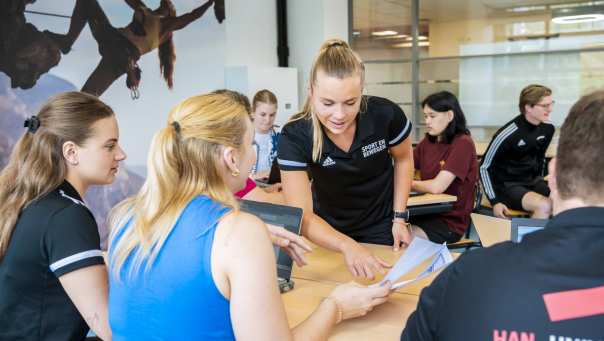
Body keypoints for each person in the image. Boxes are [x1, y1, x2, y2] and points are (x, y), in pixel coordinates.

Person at [107, 92, 392, 340]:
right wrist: (336, 307)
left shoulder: (127, 217)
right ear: (231, 158)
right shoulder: (239, 233)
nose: (253, 156)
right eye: (250, 145)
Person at [401, 90, 604, 340]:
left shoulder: (468, 278)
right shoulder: (432, 143)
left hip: (466, 215)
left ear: (554, 171)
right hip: (509, 188)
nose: (428, 121)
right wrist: (496, 200)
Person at [277, 39, 414, 280]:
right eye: (327, 103)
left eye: (350, 103)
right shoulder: (295, 135)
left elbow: (403, 160)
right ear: (311, 92)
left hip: (382, 226)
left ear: (362, 92)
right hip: (327, 232)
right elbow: (303, 215)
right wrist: (346, 245)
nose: (339, 115)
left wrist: (400, 218)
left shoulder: (385, 115)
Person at [0, 91, 126, 340]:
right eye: (109, 146)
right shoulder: (67, 217)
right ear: (70, 152)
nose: (121, 154)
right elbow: (109, 328)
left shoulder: (31, 203)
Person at [44, 0, 217, 97]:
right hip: (111, 38)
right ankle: (67, 41)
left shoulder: (165, 26)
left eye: (171, 6)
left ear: (170, 14)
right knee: (86, 2)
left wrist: (210, 2)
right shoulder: (144, 9)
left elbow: (192, 16)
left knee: (88, 94)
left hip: (122, 55)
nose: (169, 3)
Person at [411, 91, 478, 243]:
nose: (427, 121)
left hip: (449, 221)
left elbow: (437, 187)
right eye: (425, 116)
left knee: (402, 236)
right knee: (383, 228)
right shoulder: (428, 142)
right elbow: (405, 169)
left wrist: (409, 184)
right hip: (424, 212)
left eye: (432, 116)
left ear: (449, 116)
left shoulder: (463, 143)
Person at [480, 84, 555, 219]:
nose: (550, 109)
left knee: (566, 200)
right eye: (545, 106)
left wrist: (544, 179)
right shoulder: (507, 134)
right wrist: (495, 201)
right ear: (528, 107)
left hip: (532, 182)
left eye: (551, 104)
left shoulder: (548, 129)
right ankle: (534, 241)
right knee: (544, 206)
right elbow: (484, 167)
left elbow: (540, 158)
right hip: (507, 186)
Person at [251, 89, 280, 179]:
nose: (267, 120)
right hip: (249, 189)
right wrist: (254, 177)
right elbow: (234, 179)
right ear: (253, 112)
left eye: (272, 115)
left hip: (274, 186)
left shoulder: (280, 136)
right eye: (263, 114)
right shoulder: (241, 138)